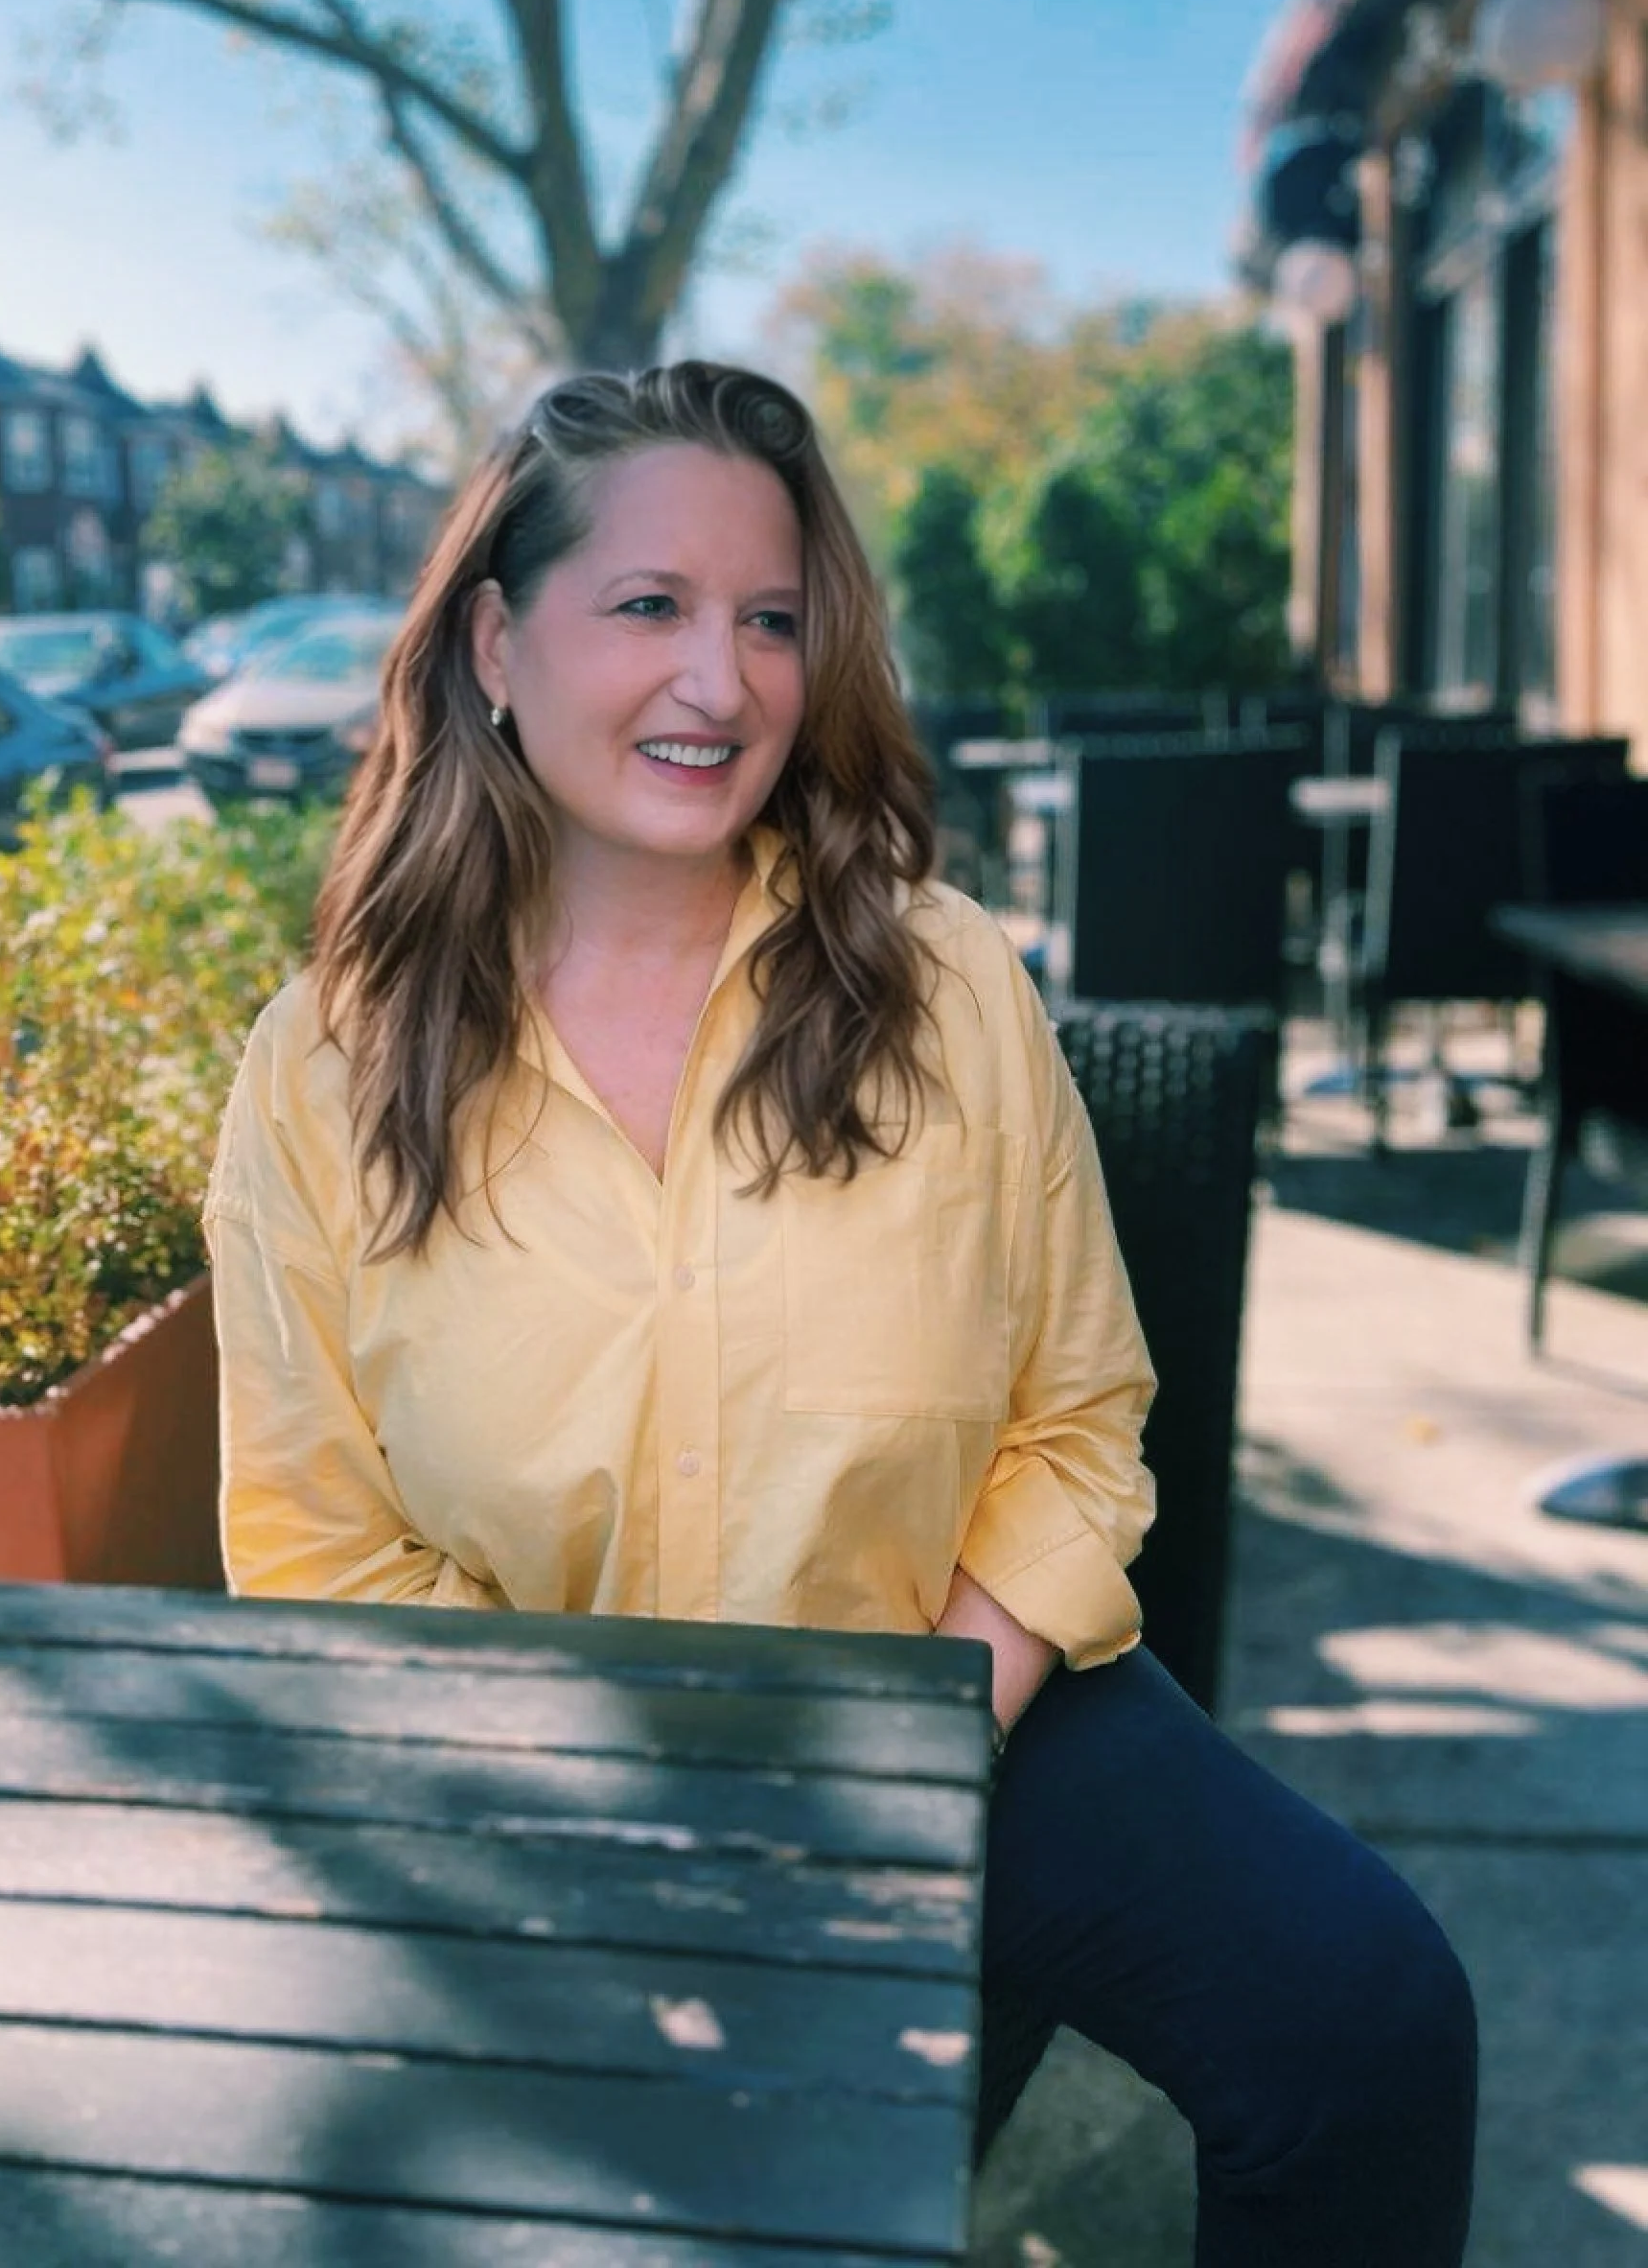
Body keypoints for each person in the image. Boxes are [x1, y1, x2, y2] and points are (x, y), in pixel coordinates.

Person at [203, 360, 1477, 2265]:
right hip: (564, 1788)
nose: (722, 681)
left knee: (1368, 2020)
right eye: (649, 603)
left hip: (968, 1699)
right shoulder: (320, 1068)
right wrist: (613, 1809)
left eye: (771, 617)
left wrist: (937, 1729)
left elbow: (1077, 1407)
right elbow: (315, 1541)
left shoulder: (948, 978)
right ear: (494, 635)